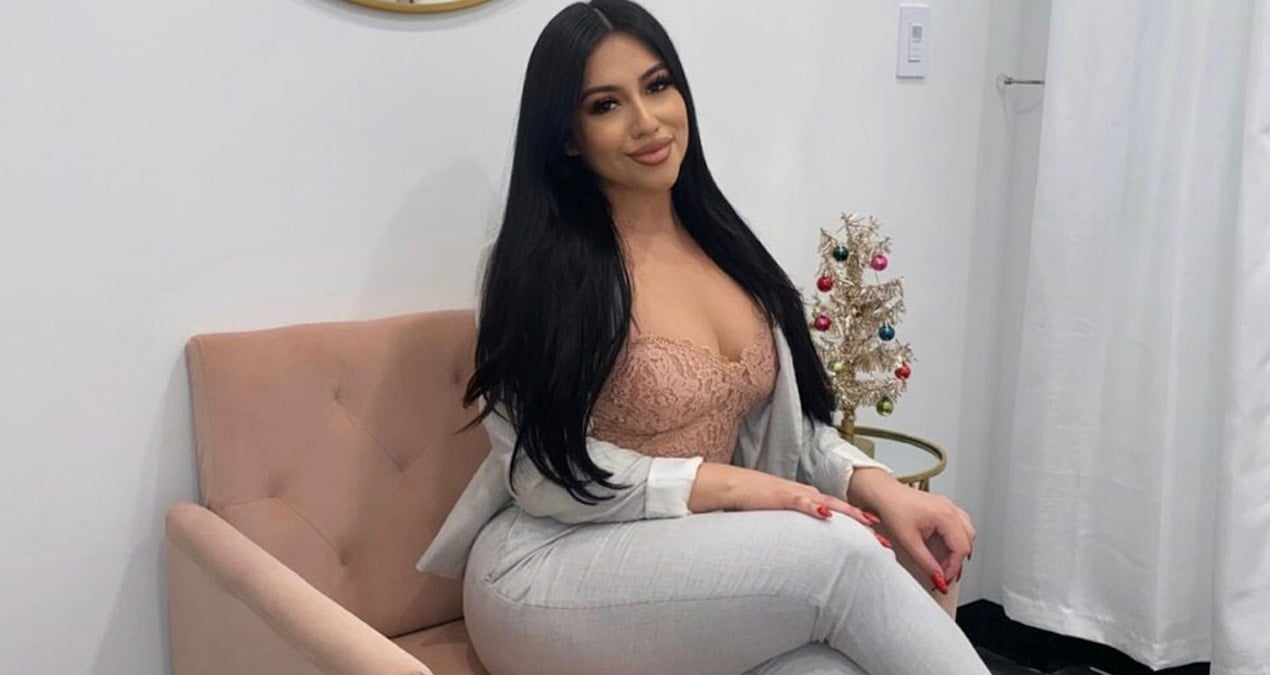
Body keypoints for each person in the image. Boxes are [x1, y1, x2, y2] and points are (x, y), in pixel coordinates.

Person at [416, 1, 989, 672]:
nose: (647, 120)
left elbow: (789, 433)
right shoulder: (537, 267)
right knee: (842, 557)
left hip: (694, 564)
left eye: (658, 85)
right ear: (568, 135)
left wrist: (878, 486)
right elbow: (543, 474)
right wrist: (731, 487)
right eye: (606, 105)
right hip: (548, 567)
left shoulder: (726, 248)